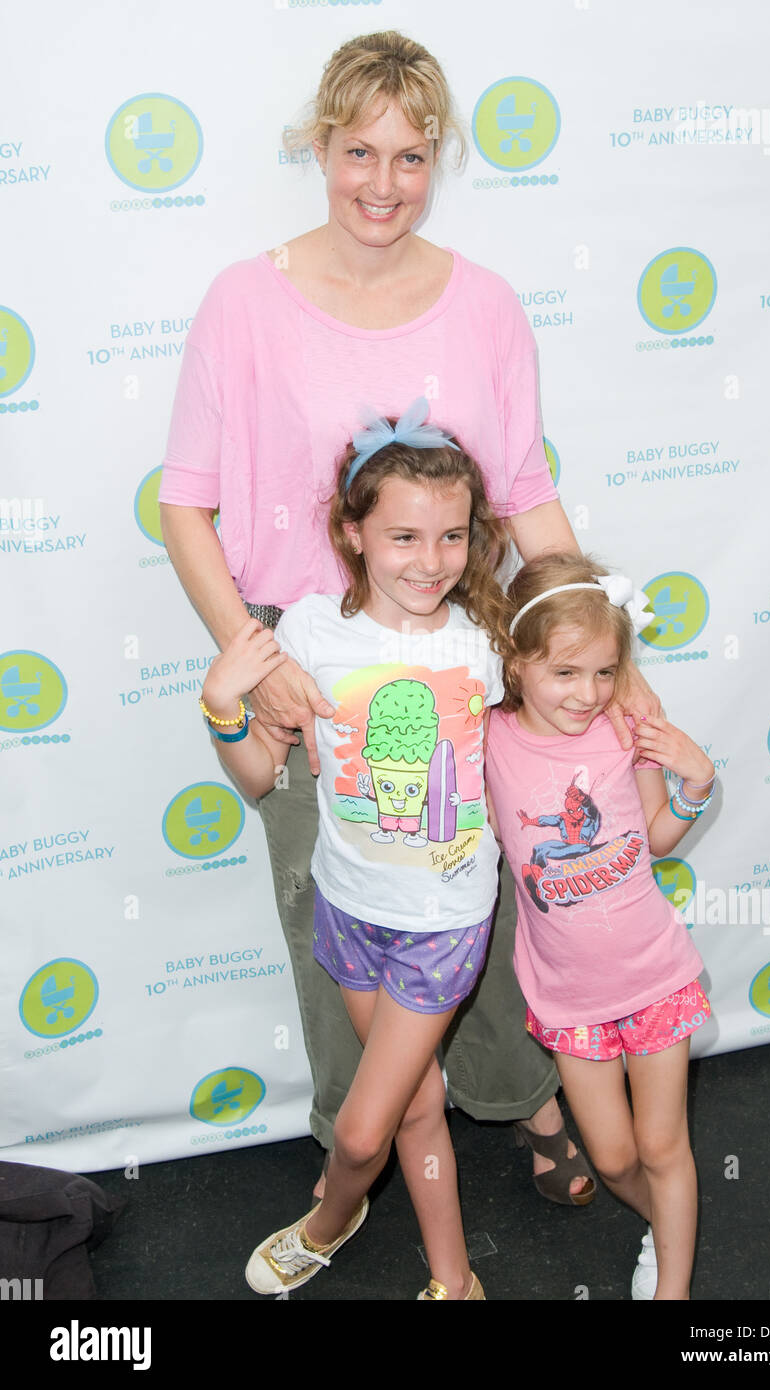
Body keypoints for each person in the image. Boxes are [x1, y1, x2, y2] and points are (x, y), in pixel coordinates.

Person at [159, 30, 653, 1208]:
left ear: (438, 160)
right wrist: (260, 658)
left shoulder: (483, 303)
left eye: (411, 155)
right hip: (306, 656)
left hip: (461, 641)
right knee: (330, 903)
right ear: (317, 147)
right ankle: (364, 1137)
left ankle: (517, 1091)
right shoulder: (243, 301)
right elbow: (187, 505)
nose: (382, 183)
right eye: (357, 151)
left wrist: (602, 657)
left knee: (468, 877)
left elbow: (523, 491)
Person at [199, 410, 508, 1298]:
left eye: (452, 535)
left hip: (442, 923)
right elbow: (262, 776)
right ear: (351, 532)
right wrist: (223, 711)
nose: (431, 559)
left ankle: (331, 1214)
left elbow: (542, 750)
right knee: (412, 1103)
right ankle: (455, 1278)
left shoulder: (485, 642)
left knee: (364, 1132)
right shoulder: (305, 632)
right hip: (347, 907)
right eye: (404, 535)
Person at [485, 552, 716, 1300]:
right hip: (566, 997)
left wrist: (695, 787)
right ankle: (669, 1222)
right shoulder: (488, 741)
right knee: (615, 1159)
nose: (589, 694)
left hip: (656, 978)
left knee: (661, 1143)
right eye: (566, 673)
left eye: (606, 672)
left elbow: (654, 837)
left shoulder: (624, 727)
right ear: (516, 664)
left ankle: (673, 1287)